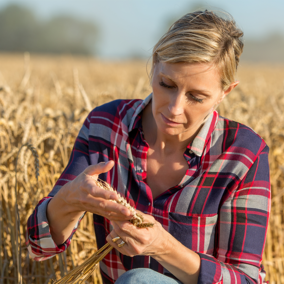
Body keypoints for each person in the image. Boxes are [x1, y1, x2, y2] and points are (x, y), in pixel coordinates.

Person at [26, 10, 270, 284]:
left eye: (196, 97)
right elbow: (39, 247)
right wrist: (69, 200)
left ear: (226, 92)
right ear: (155, 64)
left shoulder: (243, 154)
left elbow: (246, 280)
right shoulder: (106, 126)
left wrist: (163, 247)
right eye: (167, 84)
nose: (175, 108)